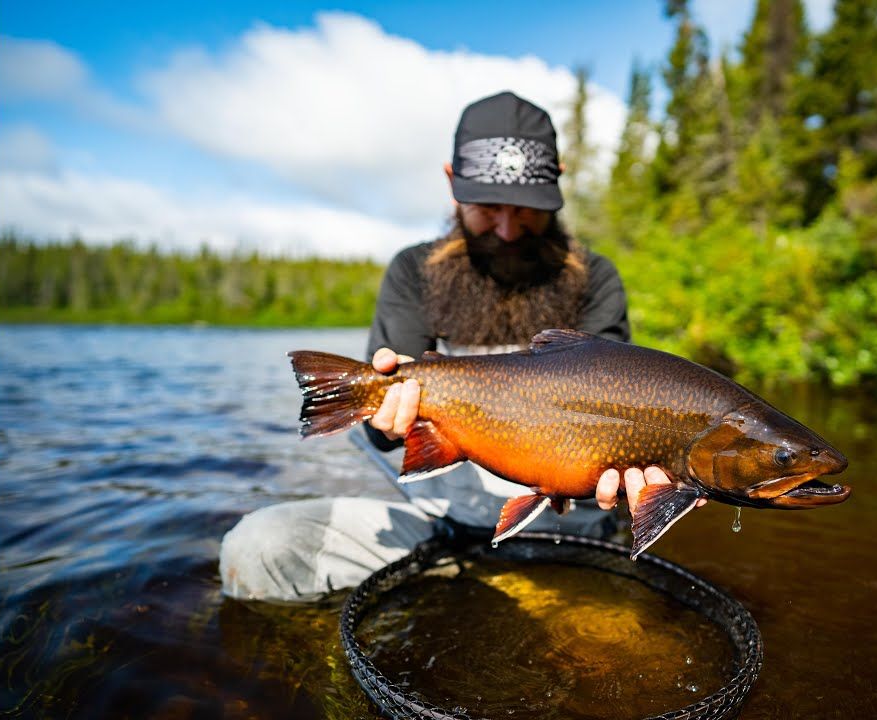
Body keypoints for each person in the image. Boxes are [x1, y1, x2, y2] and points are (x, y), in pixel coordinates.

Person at [219, 90, 680, 604]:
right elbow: (386, 439)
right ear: (451, 182)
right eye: (487, 208)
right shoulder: (414, 273)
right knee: (259, 549)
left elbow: (626, 427)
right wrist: (386, 424)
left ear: (558, 183)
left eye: (527, 210)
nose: (507, 229)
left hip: (571, 529)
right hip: (436, 523)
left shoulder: (595, 280)